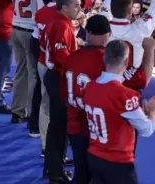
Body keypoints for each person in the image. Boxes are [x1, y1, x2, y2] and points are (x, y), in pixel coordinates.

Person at [83, 40, 155, 184]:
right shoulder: (125, 95)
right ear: (127, 61)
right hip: (117, 162)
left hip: (94, 156)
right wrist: (153, 113)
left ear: (105, 58)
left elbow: (111, 112)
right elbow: (147, 130)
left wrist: (142, 111)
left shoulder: (90, 87)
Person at [61, 15, 112, 184]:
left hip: (75, 123)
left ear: (87, 32)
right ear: (109, 34)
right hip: (99, 128)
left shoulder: (71, 57)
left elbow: (63, 92)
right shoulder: (108, 62)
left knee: (81, 171)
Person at [43, 0, 83, 183]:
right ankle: (55, 172)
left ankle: (53, 168)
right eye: (76, 5)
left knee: (57, 126)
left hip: (57, 77)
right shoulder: (61, 26)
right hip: (59, 79)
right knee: (59, 127)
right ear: (64, 7)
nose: (80, 8)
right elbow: (63, 58)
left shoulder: (62, 23)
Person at [33, 0, 70, 154]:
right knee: (61, 107)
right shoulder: (62, 15)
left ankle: (45, 145)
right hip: (57, 66)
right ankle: (57, 147)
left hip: (42, 62)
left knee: (45, 104)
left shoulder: (40, 12)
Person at [8, 0, 44, 123]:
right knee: (33, 73)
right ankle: (32, 112)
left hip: (15, 28)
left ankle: (17, 109)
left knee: (20, 71)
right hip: (30, 30)